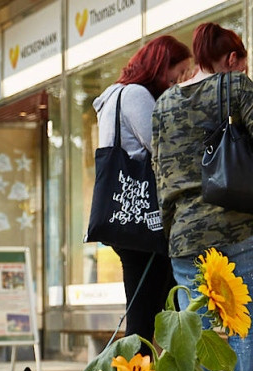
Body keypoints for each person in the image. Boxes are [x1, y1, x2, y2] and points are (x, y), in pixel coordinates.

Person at [151, 23, 253, 371]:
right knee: (243, 321)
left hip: (186, 232)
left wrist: (173, 226)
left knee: (196, 327)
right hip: (241, 225)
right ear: (231, 59)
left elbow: (160, 170)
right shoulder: (235, 85)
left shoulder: (163, 104)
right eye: (242, 61)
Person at [92, 36, 193, 349]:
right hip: (143, 219)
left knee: (149, 312)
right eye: (178, 72)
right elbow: (162, 146)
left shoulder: (113, 95)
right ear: (161, 66)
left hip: (126, 217)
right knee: (145, 318)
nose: (180, 79)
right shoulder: (135, 94)